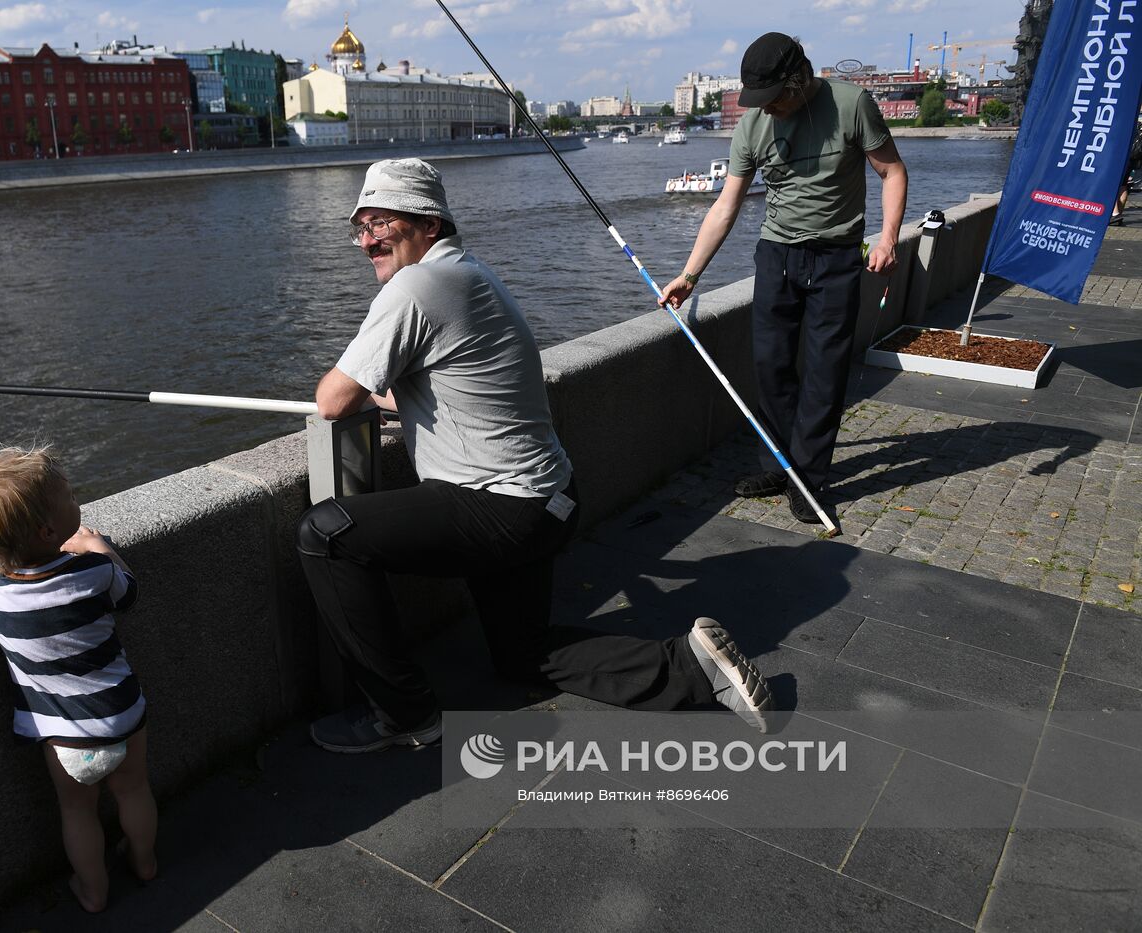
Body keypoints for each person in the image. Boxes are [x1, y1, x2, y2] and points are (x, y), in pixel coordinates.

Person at [296, 158, 774, 754]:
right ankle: (691, 668)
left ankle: (404, 713)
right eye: (360, 226)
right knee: (522, 656)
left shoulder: (415, 286)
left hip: (500, 506)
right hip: (551, 499)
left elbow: (334, 401)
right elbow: (442, 381)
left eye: (380, 222)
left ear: (426, 222)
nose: (367, 240)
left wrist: (356, 391)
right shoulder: (469, 273)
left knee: (328, 533)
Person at [659, 33, 908, 523]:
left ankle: (808, 482)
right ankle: (779, 465)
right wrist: (690, 274)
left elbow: (893, 172)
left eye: (772, 99)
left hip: (837, 256)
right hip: (777, 255)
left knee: (824, 373)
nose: (765, 110)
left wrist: (887, 239)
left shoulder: (851, 104)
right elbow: (725, 205)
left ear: (800, 80)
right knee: (771, 366)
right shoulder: (752, 125)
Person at [0, 445, 156, 913]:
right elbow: (130, 593)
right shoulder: (96, 572)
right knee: (135, 791)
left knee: (77, 812)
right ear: (50, 530)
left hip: (63, 735)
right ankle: (145, 862)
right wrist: (98, 545)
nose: (75, 495)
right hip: (123, 712)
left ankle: (93, 891)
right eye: (68, 495)